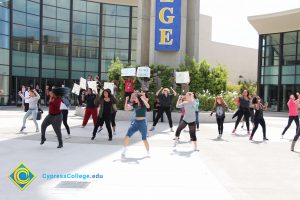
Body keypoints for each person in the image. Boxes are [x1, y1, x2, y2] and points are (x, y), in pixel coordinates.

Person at [121, 92, 151, 157]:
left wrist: (142, 98)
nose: (134, 98)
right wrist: (126, 100)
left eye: (135, 97)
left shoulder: (143, 104)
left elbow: (148, 106)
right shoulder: (134, 104)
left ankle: (148, 152)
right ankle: (124, 149)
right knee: (127, 136)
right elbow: (126, 109)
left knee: (144, 139)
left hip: (143, 123)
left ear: (138, 98)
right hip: (135, 122)